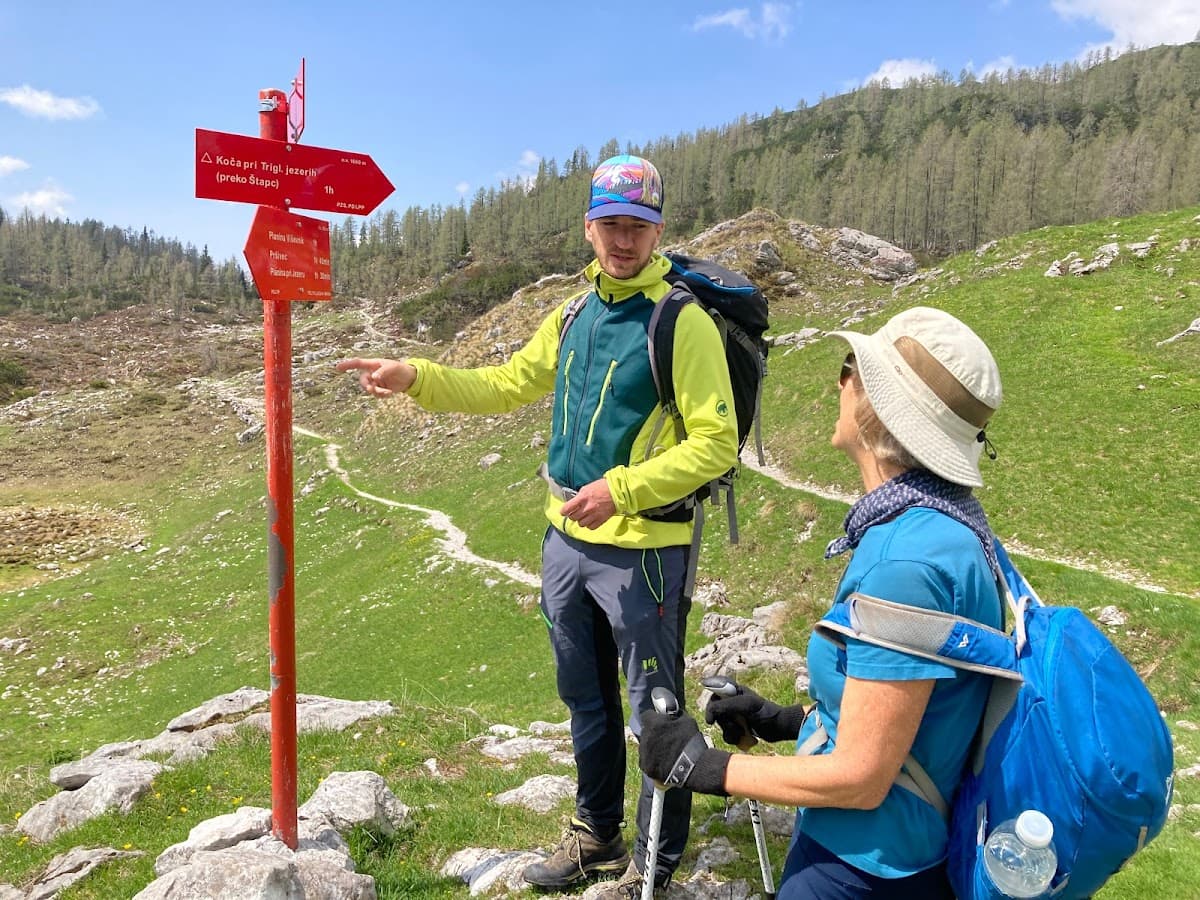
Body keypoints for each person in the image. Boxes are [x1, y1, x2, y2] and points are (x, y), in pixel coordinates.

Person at [337, 154, 738, 897]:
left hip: (645, 552)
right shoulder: (573, 313)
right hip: (566, 544)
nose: (624, 241)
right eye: (612, 225)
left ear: (658, 233)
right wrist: (416, 376)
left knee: (655, 711)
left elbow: (715, 444)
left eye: (639, 228)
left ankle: (653, 869)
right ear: (588, 227)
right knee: (585, 699)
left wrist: (621, 490)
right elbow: (507, 382)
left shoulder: (680, 322)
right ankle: (597, 839)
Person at [637, 306, 1005, 899]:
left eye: (850, 370)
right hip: (912, 853)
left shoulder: (903, 564)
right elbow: (915, 716)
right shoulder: (950, 529)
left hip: (861, 866)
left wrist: (707, 769)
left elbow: (863, 777)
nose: (839, 382)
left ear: (880, 408)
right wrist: (784, 722)